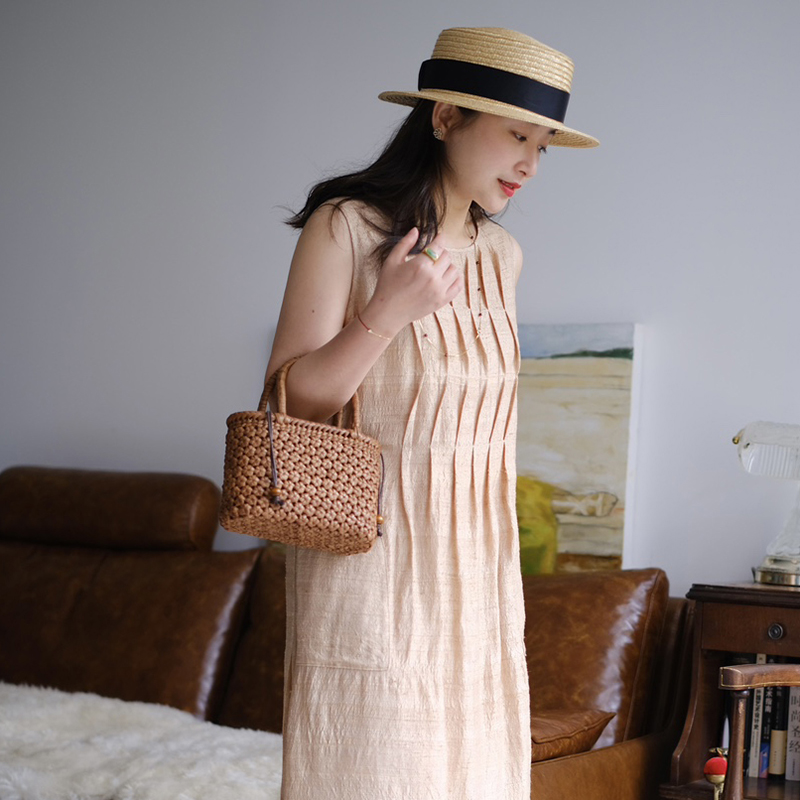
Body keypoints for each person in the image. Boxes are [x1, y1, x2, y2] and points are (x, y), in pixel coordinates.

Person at [267, 26, 598, 800]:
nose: (531, 163)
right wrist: (386, 312)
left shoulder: (502, 256)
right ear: (445, 117)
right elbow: (290, 400)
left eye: (543, 143)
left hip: (479, 577)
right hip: (371, 565)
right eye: (517, 135)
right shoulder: (346, 226)